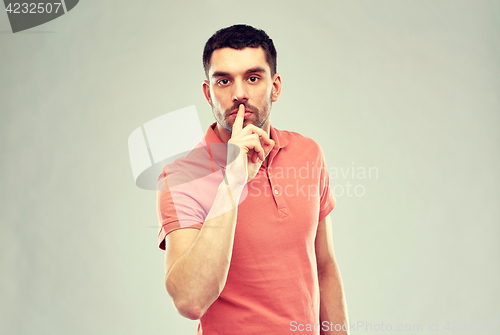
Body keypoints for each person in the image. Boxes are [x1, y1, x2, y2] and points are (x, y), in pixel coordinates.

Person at [157, 24, 349, 335]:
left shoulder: (308, 154)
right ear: (208, 93)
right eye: (223, 81)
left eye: (253, 78)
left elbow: (324, 265)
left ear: (275, 87)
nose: (239, 94)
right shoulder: (181, 178)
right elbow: (190, 301)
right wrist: (231, 182)